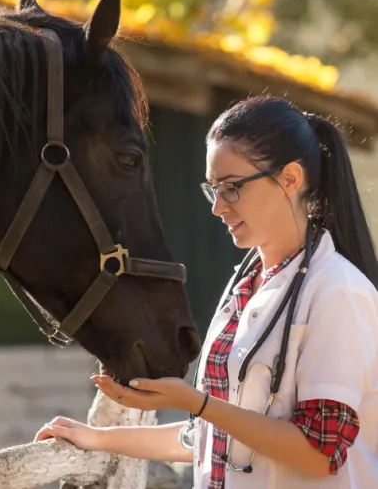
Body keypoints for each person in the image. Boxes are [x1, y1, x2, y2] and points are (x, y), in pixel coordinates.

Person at [35, 95, 378, 489]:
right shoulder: (245, 283)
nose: (217, 207)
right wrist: (98, 439)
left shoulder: (338, 292)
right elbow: (215, 436)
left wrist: (193, 402)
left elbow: (320, 453)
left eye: (232, 188)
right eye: (212, 188)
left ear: (290, 179)